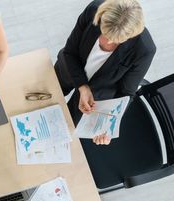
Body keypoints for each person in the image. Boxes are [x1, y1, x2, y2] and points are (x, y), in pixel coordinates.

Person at [55, 0, 155, 145]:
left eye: (115, 40)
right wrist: (83, 86)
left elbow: (126, 93)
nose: (106, 42)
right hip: (70, 68)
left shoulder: (144, 50)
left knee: (64, 132)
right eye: (104, 32)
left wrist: (108, 126)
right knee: (41, 99)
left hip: (96, 98)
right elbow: (70, 51)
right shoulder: (94, 10)